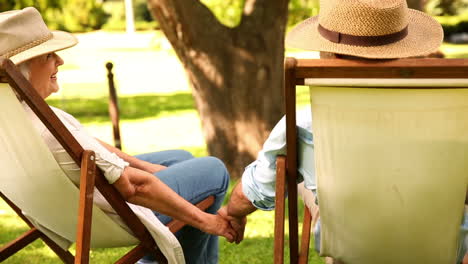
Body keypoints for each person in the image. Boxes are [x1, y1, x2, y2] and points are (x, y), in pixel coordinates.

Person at [219, 0, 468, 263]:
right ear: (404, 49)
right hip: (442, 250)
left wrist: (233, 213)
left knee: (305, 174)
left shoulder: (305, 122)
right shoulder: (452, 116)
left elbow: (260, 185)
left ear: (330, 54)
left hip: (352, 251)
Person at [0, 7, 236, 264]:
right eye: (48, 55)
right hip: (114, 215)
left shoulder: (15, 117)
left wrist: (149, 168)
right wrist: (208, 222)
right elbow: (134, 187)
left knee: (180, 159)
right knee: (212, 169)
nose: (60, 61)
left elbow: (84, 147)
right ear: (21, 68)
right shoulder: (46, 127)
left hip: (63, 212)